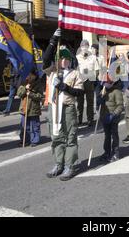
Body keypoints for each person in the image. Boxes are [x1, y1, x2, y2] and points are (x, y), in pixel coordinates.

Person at [43, 29, 84, 180]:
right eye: (60, 58)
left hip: (67, 108)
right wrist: (53, 40)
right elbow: (45, 59)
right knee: (56, 137)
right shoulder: (52, 71)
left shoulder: (74, 74)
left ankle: (70, 166)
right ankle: (58, 164)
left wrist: (65, 88)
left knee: (70, 138)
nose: (63, 61)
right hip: (54, 108)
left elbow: (80, 92)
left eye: (66, 58)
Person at [99, 78, 124, 163]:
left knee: (114, 135)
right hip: (105, 116)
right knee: (107, 135)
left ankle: (115, 153)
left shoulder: (117, 91)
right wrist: (100, 99)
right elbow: (100, 104)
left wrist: (113, 115)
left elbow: (120, 106)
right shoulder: (103, 90)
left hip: (113, 118)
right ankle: (107, 152)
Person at [16, 69, 43, 147]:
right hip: (24, 108)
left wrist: (31, 94)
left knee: (35, 125)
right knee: (24, 126)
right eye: (28, 75)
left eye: (31, 75)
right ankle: (24, 140)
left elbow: (40, 96)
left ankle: (35, 140)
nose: (29, 77)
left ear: (35, 76)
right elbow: (19, 94)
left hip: (34, 108)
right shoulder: (24, 83)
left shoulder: (38, 84)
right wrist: (25, 88)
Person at [76, 39, 98, 127]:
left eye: (86, 46)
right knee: (79, 102)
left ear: (88, 47)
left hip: (89, 81)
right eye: (83, 46)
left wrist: (93, 78)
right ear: (80, 47)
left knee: (90, 102)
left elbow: (96, 69)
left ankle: (90, 119)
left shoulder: (93, 57)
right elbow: (75, 69)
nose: (84, 48)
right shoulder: (77, 57)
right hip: (80, 81)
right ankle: (79, 120)